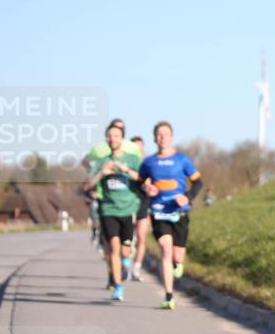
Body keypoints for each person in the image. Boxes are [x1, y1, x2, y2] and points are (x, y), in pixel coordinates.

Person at [138, 121, 203, 310]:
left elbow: (198, 182)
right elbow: (138, 184)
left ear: (171, 138)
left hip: (179, 212)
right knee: (165, 249)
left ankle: (178, 263)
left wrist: (188, 196)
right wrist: (145, 187)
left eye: (165, 134)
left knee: (177, 255)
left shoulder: (182, 160)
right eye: (158, 135)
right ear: (154, 138)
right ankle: (168, 296)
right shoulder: (149, 162)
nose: (162, 138)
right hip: (159, 212)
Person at [83, 123, 143, 301]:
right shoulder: (102, 162)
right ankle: (118, 286)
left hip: (128, 209)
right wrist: (102, 173)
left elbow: (143, 179)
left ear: (122, 139)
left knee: (125, 251)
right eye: (109, 136)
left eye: (116, 136)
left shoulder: (132, 159)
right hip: (108, 209)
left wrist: (126, 170)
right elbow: (86, 185)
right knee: (114, 249)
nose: (112, 139)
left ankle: (126, 264)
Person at [129, 136, 150, 281]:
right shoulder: (126, 164)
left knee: (142, 238)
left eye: (140, 146)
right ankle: (125, 264)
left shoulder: (149, 164)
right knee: (128, 238)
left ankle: (136, 268)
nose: (138, 149)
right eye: (134, 147)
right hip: (128, 203)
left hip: (144, 202)